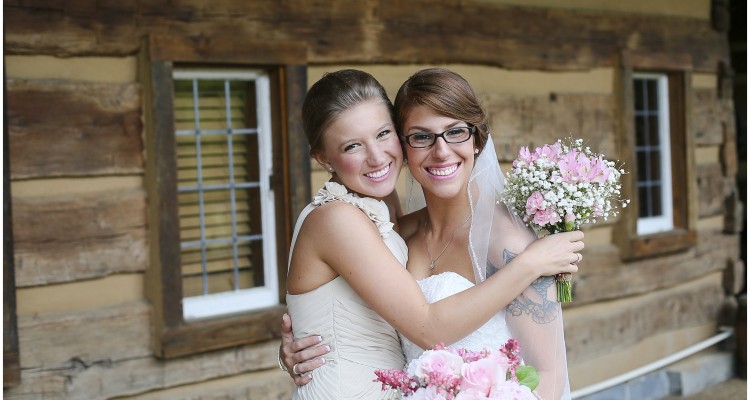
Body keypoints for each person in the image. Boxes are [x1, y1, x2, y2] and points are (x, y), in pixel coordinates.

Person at [283, 68, 582, 400]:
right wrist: (302, 341)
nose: (441, 151)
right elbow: (410, 326)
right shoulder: (395, 231)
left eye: (456, 132)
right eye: (422, 137)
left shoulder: (510, 245)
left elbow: (550, 378)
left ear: (477, 139)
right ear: (406, 144)